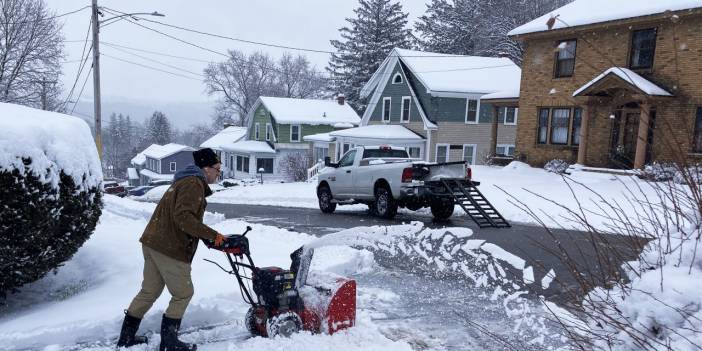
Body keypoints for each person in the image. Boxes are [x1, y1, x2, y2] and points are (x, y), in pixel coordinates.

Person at [117, 148, 226, 351]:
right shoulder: (194, 183)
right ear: (205, 168)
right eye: (217, 169)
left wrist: (206, 236)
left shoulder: (183, 181)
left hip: (153, 243)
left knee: (149, 292)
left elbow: (182, 218)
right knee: (183, 293)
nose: (218, 173)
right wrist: (214, 236)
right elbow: (184, 218)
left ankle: (126, 338)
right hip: (169, 247)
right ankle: (169, 342)